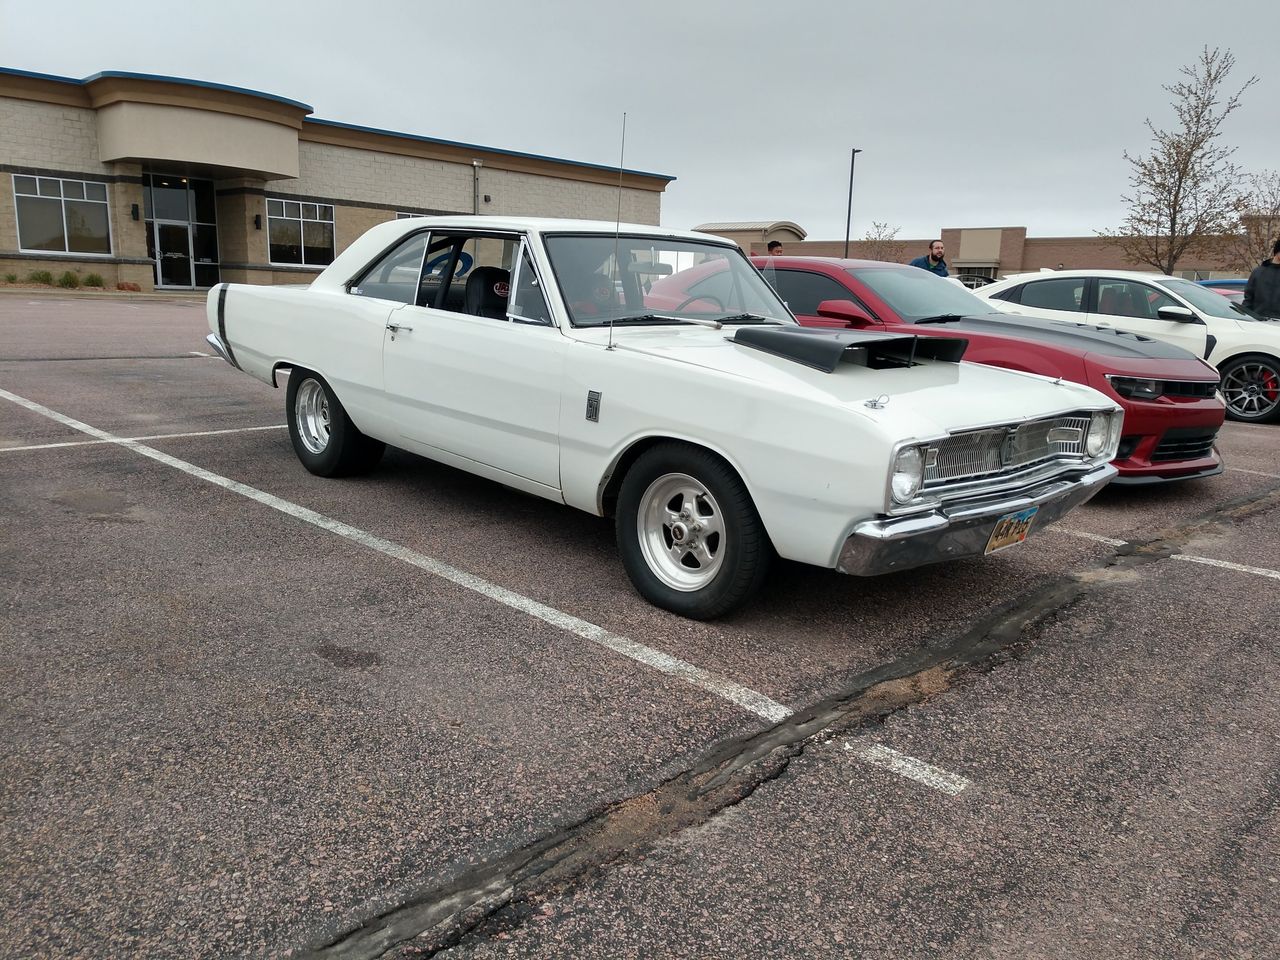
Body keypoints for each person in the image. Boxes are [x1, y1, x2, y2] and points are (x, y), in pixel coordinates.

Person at [1243, 238, 1280, 319]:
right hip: (1258, 321)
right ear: (1277, 252)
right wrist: (1246, 318)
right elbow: (1248, 298)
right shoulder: (1258, 272)